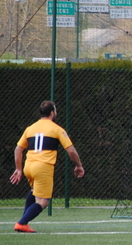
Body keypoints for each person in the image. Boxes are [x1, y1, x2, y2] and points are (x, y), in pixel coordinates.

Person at [9, 100, 85, 233]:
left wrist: (18, 169)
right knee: (43, 202)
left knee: (34, 191)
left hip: (29, 166)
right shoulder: (56, 129)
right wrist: (79, 165)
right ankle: (21, 223)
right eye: (55, 110)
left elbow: (18, 149)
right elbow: (71, 151)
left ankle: (23, 221)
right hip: (43, 168)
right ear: (52, 113)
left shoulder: (30, 128)